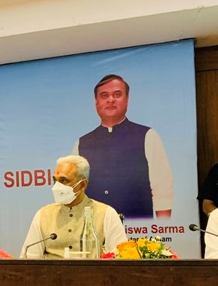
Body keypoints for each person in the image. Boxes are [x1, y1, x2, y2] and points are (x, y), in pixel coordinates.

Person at [71, 74, 173, 219]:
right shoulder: (82, 143)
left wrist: (163, 226)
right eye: (104, 95)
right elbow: (74, 191)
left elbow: (162, 189)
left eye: (117, 94)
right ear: (96, 102)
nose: (111, 100)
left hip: (137, 226)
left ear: (127, 99)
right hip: (95, 226)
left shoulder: (147, 135)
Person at [20, 155, 128, 258]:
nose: (57, 186)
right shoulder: (43, 215)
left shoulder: (106, 214)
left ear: (83, 185)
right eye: (55, 180)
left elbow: (120, 259)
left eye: (63, 180)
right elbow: (29, 260)